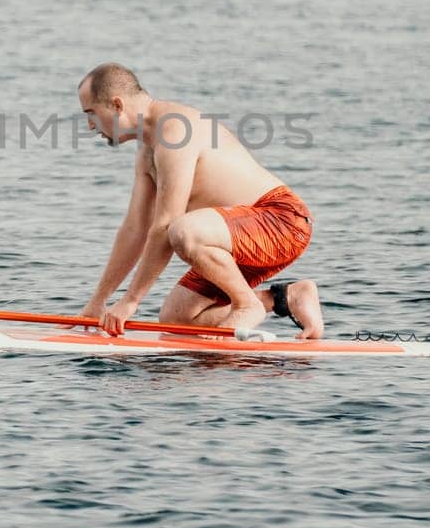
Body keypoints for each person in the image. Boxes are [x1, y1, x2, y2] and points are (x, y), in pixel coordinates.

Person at [76, 62, 323, 338]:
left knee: (180, 229)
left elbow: (166, 224)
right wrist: (98, 301)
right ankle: (286, 298)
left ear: (117, 104)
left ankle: (246, 304)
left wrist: (130, 302)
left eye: (91, 113)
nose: (89, 126)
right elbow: (134, 230)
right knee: (177, 318)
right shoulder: (147, 152)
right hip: (234, 239)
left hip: (282, 221)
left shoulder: (174, 131)